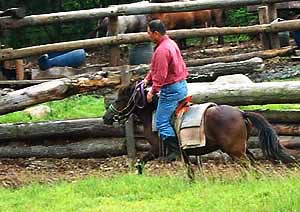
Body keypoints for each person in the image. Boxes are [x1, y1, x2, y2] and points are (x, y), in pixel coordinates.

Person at [144, 19, 189, 161]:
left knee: (161, 122)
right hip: (181, 85)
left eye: (149, 33)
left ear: (156, 33)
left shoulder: (161, 50)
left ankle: (175, 152)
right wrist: (147, 79)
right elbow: (156, 69)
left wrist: (152, 91)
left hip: (171, 90)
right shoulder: (171, 44)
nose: (148, 35)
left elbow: (161, 75)